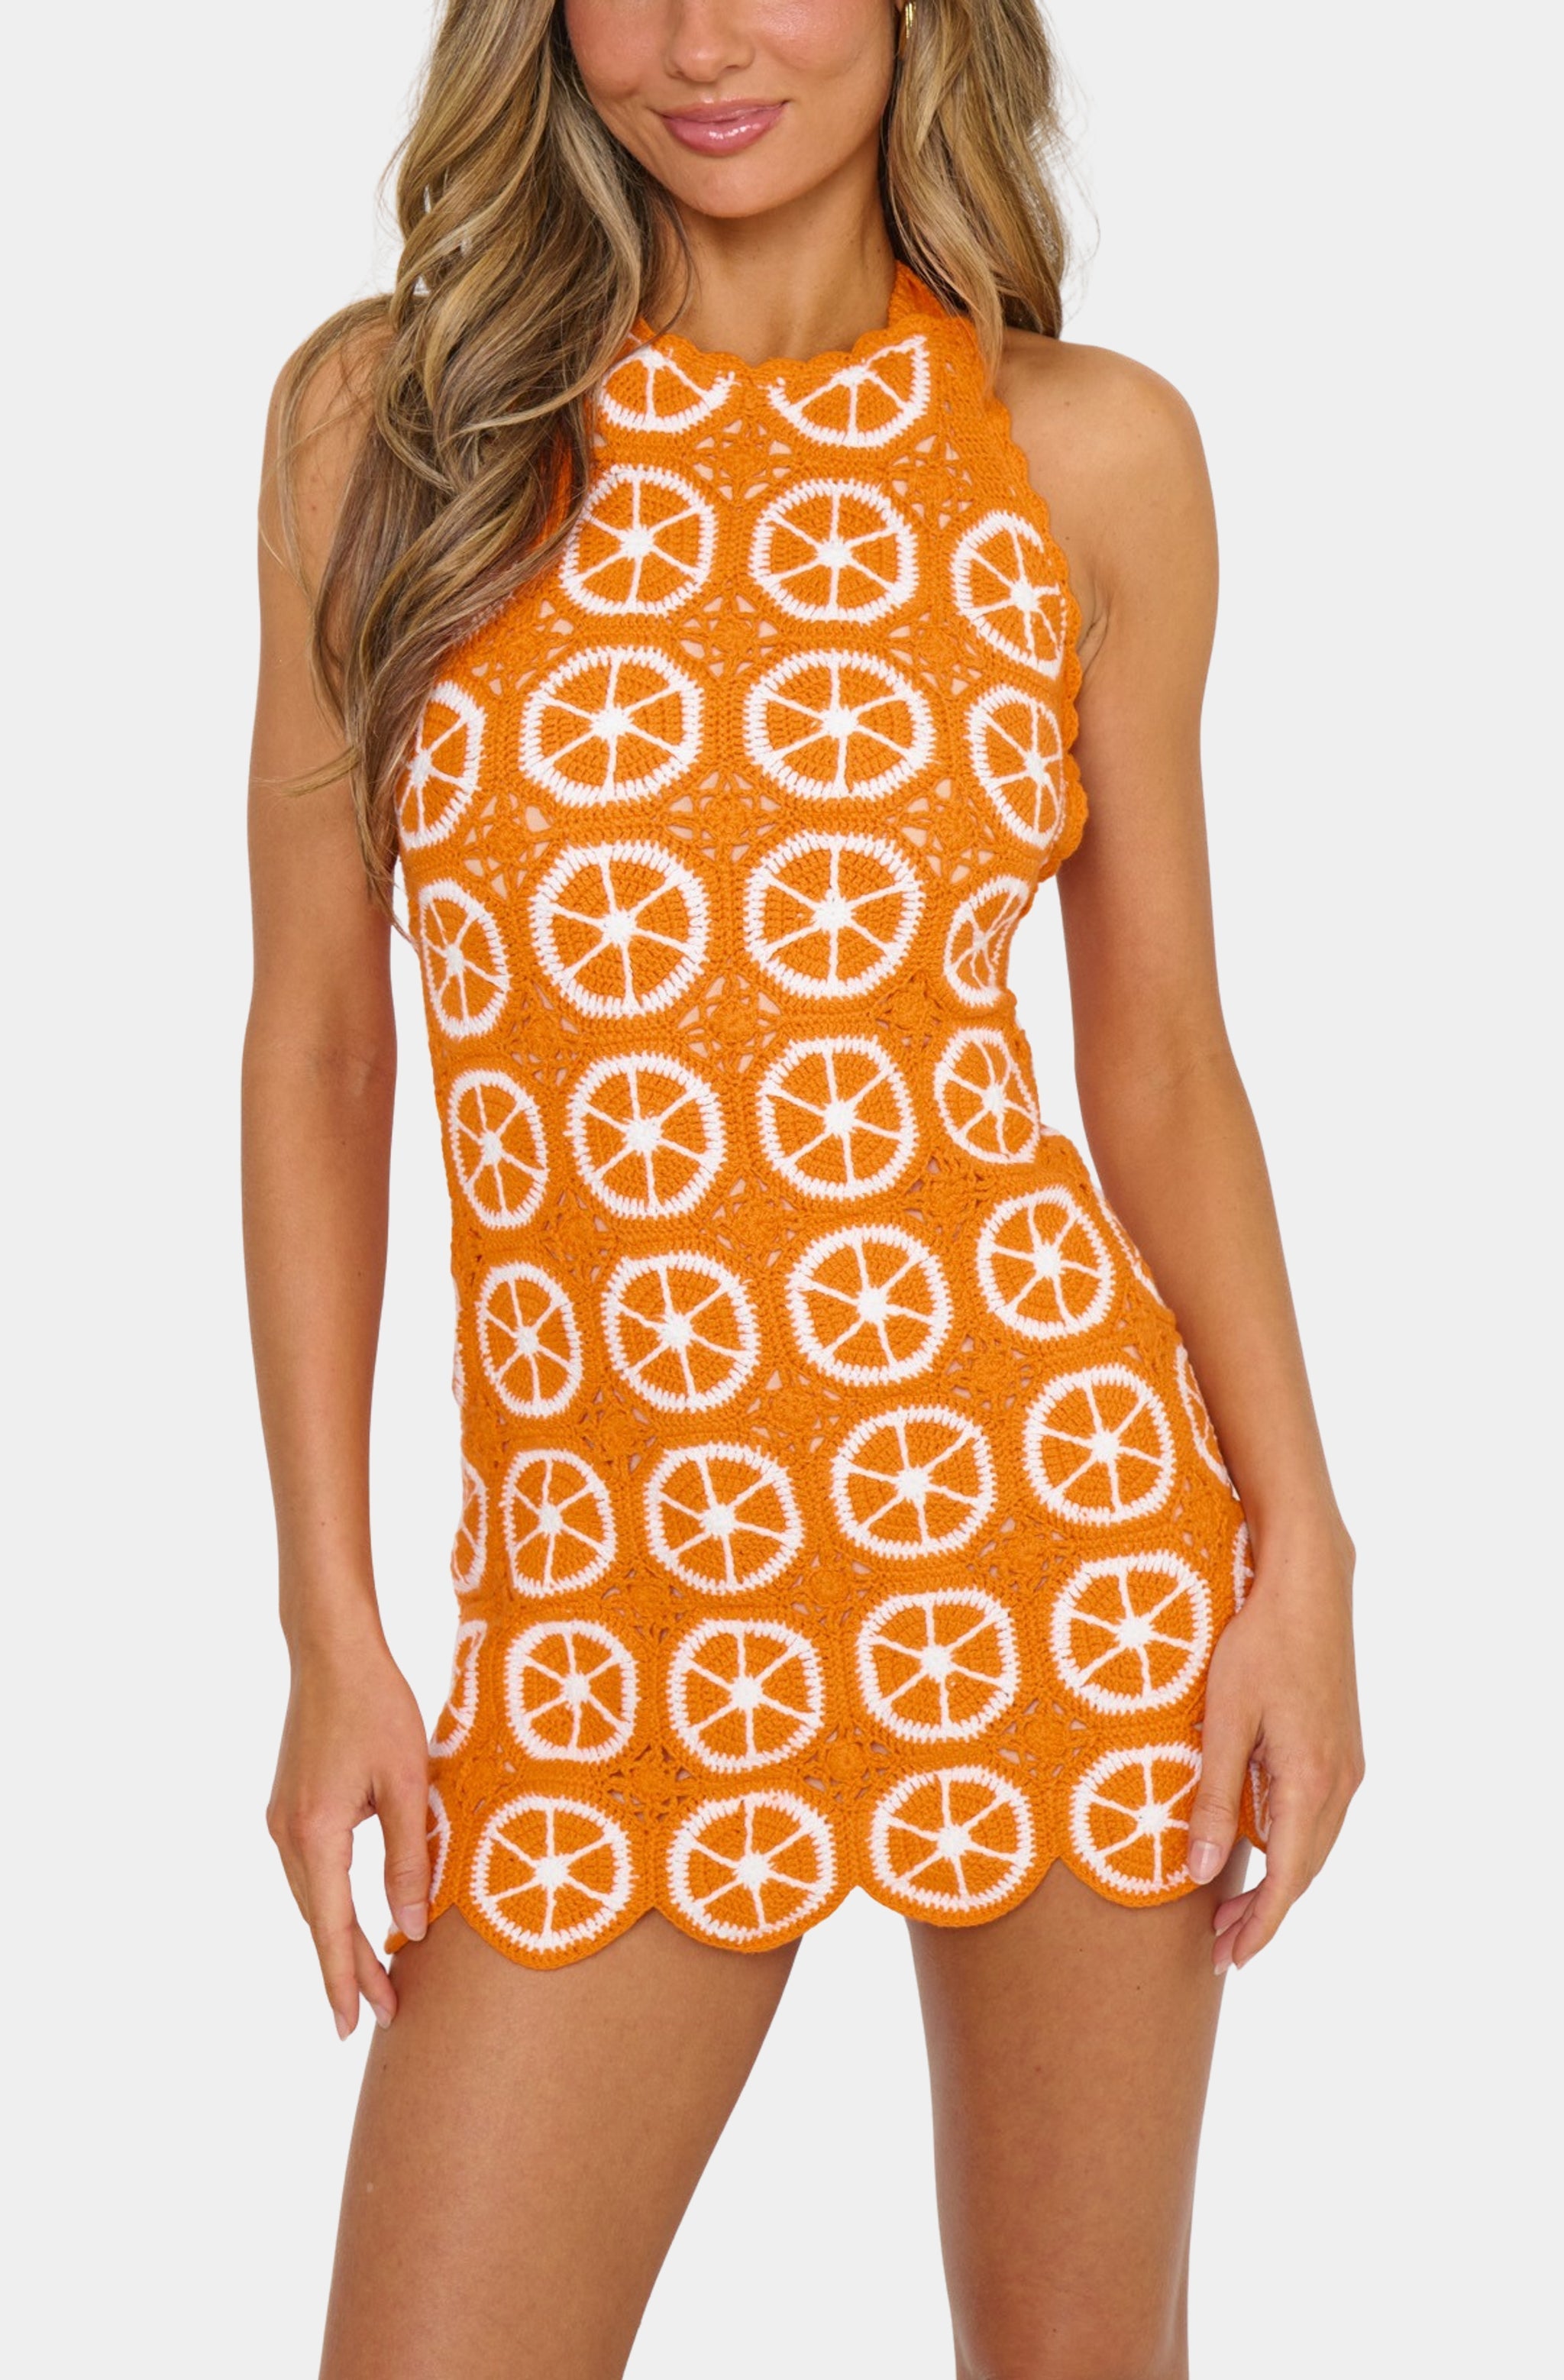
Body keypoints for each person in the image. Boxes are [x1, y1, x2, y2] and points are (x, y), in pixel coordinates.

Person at [243, 4, 1364, 2372]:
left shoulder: (1089, 456)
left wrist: (1308, 1557)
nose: (696, 44)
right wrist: (333, 1620)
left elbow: (1160, 1061)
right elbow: (325, 1040)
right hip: (614, 1601)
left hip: (1050, 1545)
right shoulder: (391, 422)